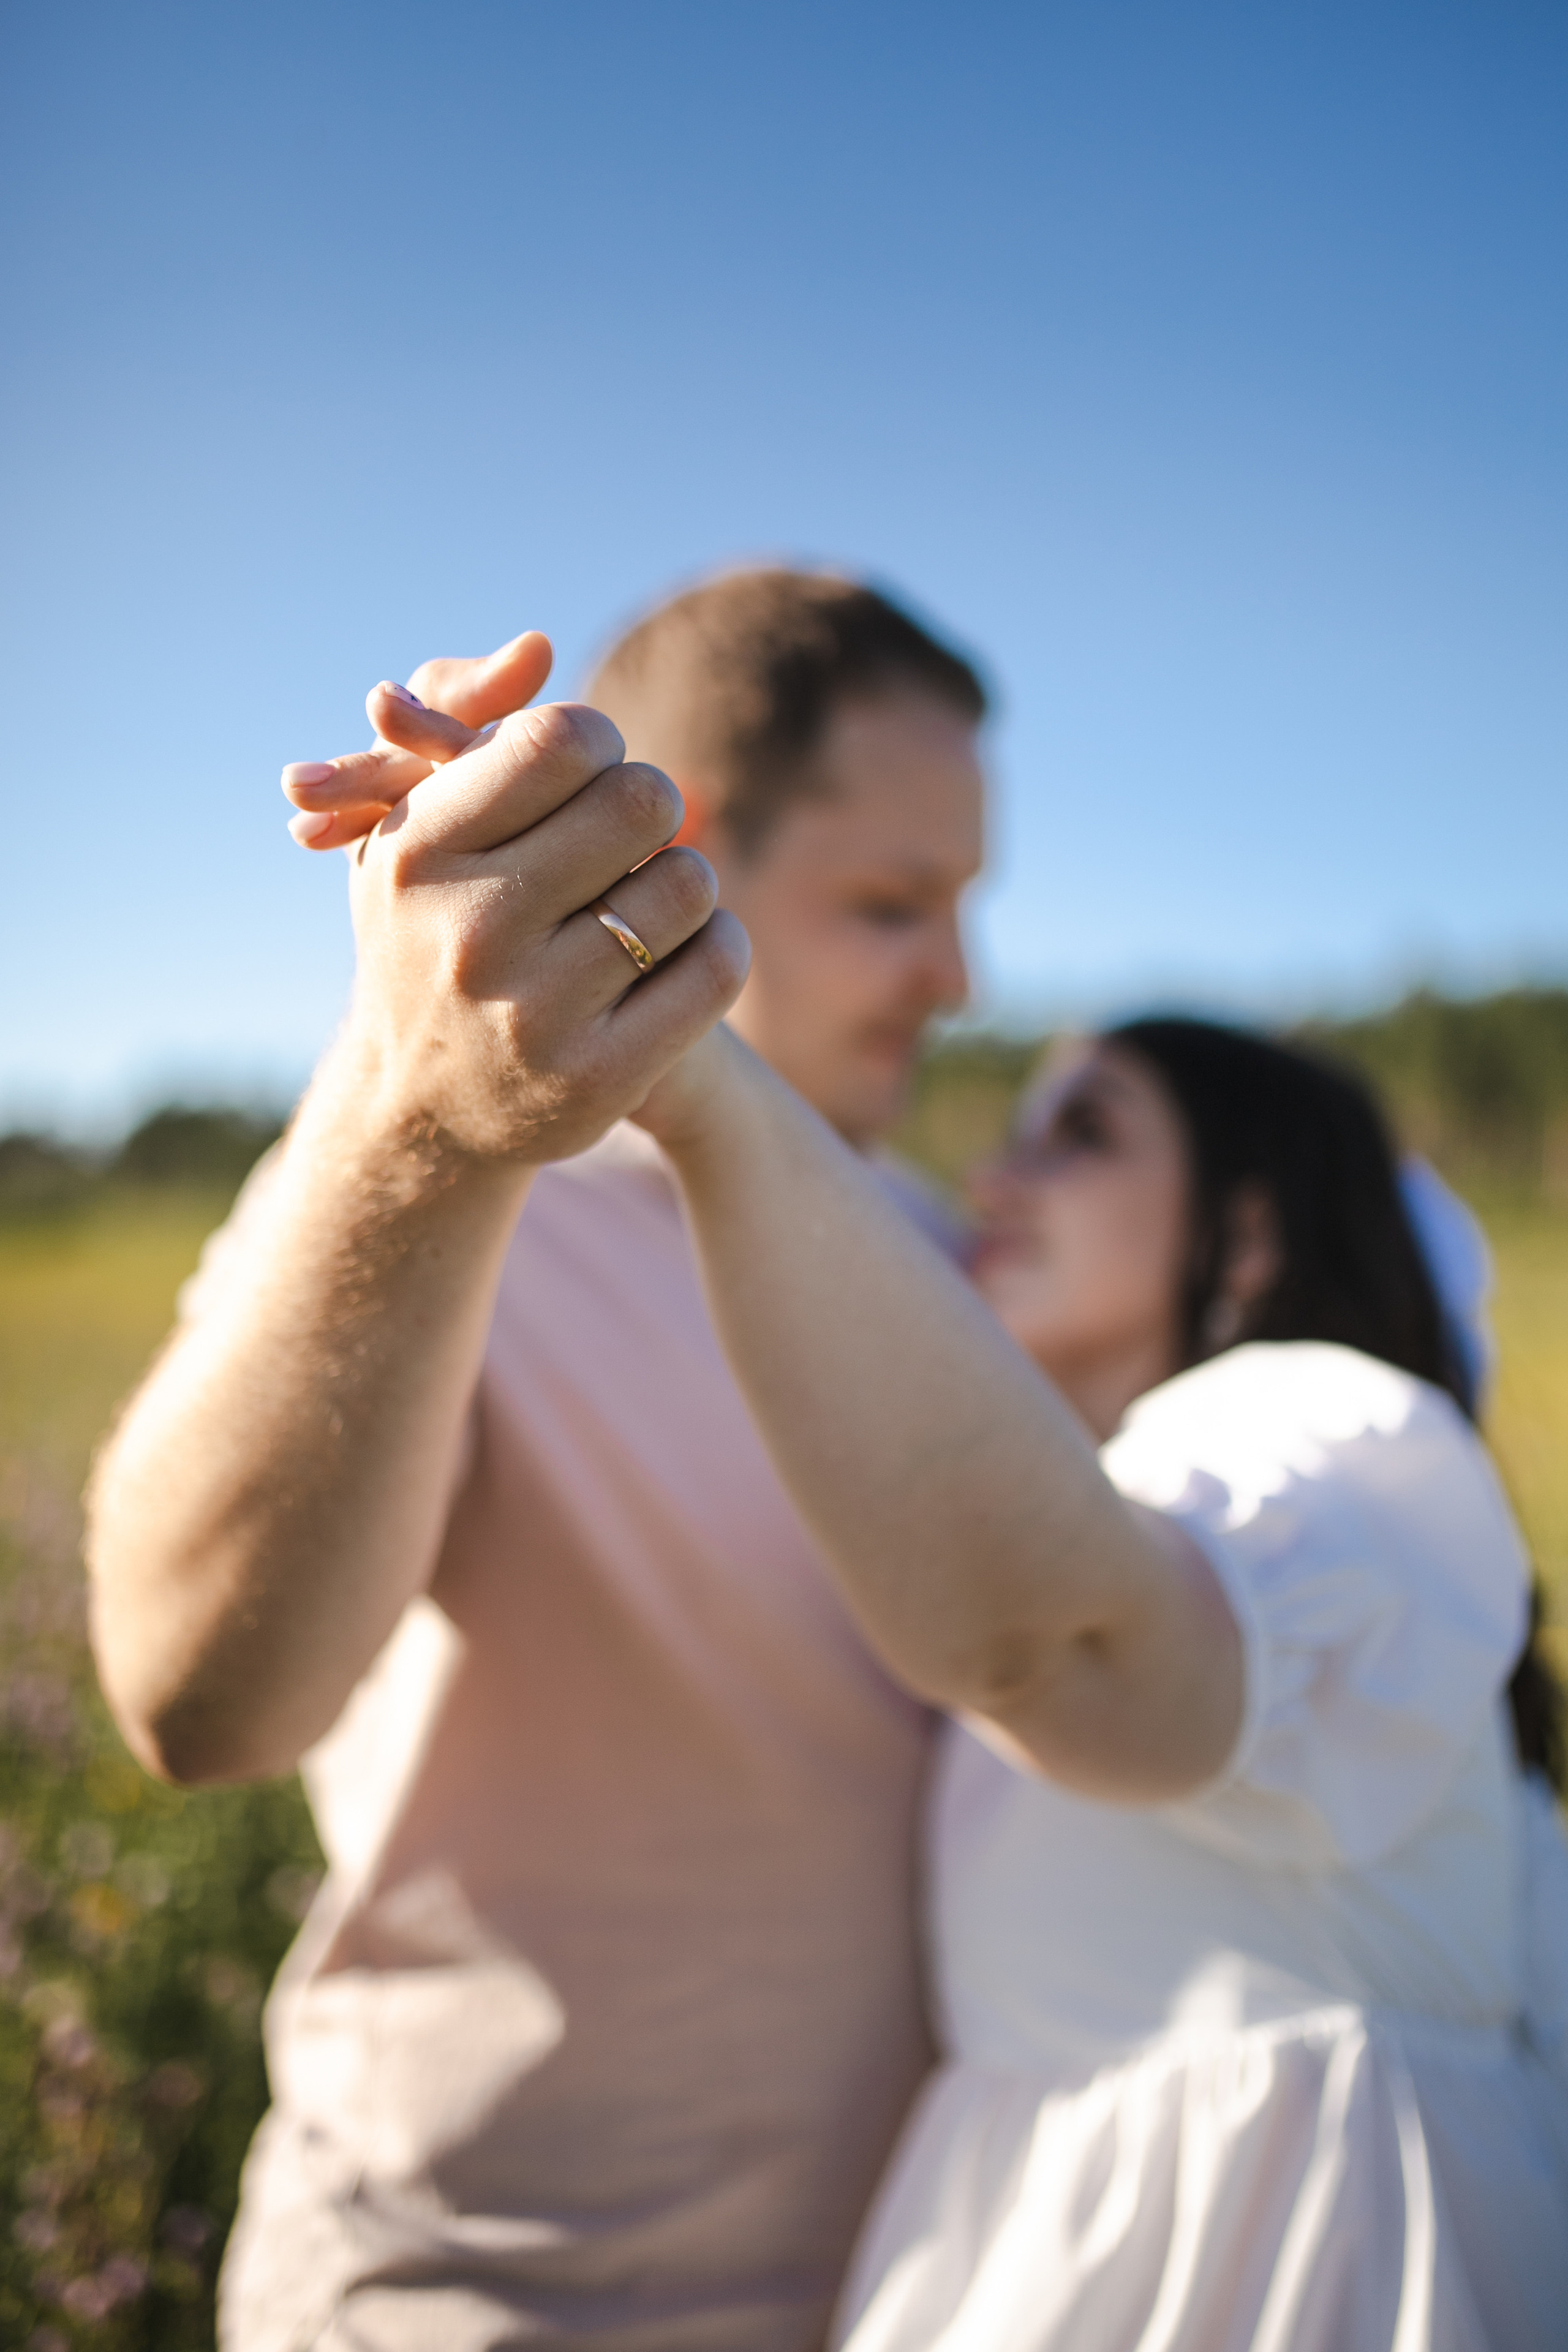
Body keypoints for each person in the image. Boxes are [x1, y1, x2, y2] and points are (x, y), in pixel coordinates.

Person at [85, 571, 987, 2352]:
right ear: (683, 847)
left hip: (922, 2298)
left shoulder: (955, 1256)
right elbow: (194, 1698)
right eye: (894, 904)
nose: (958, 980)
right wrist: (413, 1131)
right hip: (460, 2305)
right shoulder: (447, 1192)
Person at [603, 1009, 1568, 2351]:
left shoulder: (1329, 1430)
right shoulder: (1116, 1494)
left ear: (1248, 1235)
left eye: (1082, 1132)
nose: (993, 1182)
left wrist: (709, 1091)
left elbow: (1063, 1651)